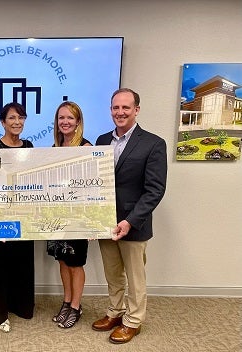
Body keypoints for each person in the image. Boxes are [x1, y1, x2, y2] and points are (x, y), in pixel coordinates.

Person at [92, 88, 167, 344]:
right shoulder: (102, 140)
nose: (120, 112)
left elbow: (155, 190)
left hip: (133, 225)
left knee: (135, 278)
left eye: (126, 107)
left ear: (136, 109)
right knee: (112, 274)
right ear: (110, 110)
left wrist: (130, 220)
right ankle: (115, 312)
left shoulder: (153, 143)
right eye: (116, 107)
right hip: (106, 223)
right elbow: (93, 184)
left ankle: (133, 321)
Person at [0, 102, 35, 333]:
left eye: (21, 118)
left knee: (22, 260)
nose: (17, 122)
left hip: (23, 214)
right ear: (3, 122)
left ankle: (19, 305)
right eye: (12, 118)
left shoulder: (30, 146)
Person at [46, 101, 92, 329]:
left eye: (70, 118)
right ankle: (66, 302)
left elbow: (95, 188)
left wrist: (94, 222)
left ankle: (76, 306)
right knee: (63, 260)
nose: (65, 122)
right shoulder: (54, 149)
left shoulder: (86, 147)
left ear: (78, 122)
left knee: (75, 263)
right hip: (58, 216)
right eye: (61, 118)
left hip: (78, 216)